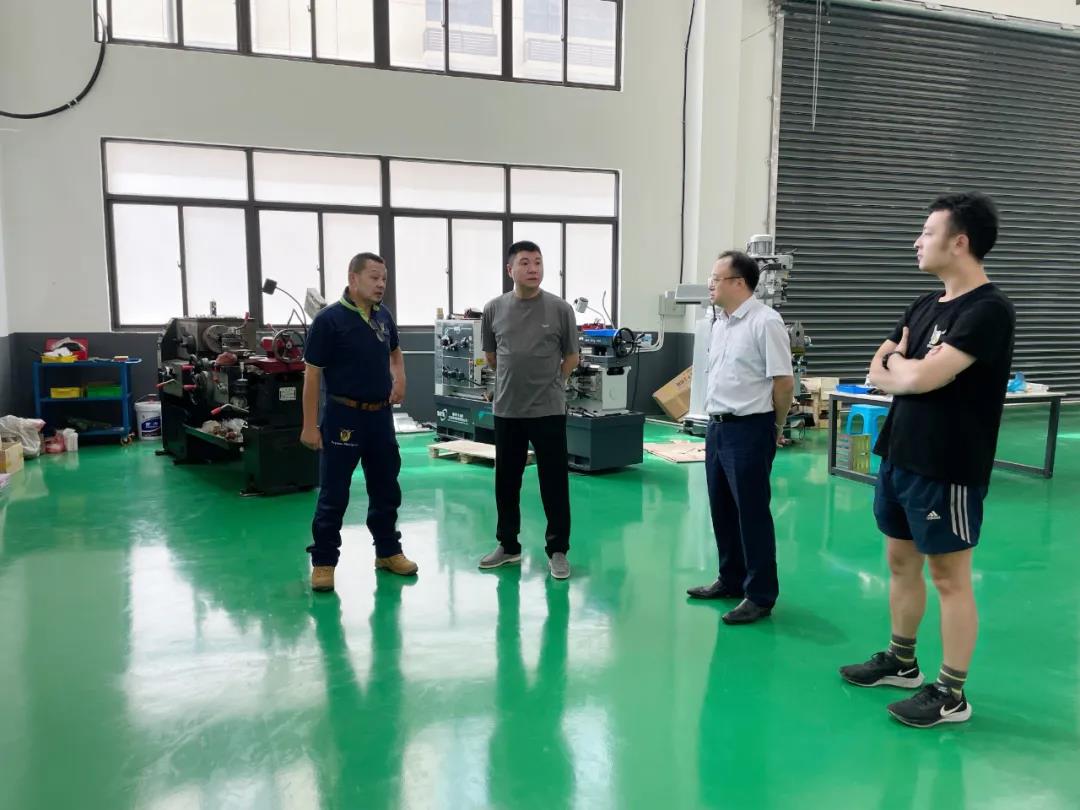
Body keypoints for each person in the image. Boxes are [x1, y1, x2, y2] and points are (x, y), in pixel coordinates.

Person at [839, 192, 1015, 728]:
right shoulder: (923, 304)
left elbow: (918, 376)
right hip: (900, 455)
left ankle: (951, 693)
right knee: (900, 562)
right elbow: (877, 368)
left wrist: (904, 368)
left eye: (927, 232)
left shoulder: (987, 310)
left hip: (948, 465)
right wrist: (902, 369)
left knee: (949, 577)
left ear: (959, 242)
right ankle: (902, 661)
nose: (917, 241)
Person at [686, 250, 794, 625]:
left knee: (752, 513)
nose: (710, 284)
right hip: (718, 428)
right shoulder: (721, 323)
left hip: (750, 428)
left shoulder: (766, 322)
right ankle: (730, 579)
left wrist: (775, 428)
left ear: (738, 283)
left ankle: (760, 595)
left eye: (716, 278)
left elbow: (783, 382)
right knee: (722, 509)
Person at [301, 252, 418, 592]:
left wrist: (400, 379)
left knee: (386, 487)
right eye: (374, 277)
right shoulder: (329, 320)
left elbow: (395, 351)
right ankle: (324, 561)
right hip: (344, 416)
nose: (381, 284)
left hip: (380, 417)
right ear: (353, 279)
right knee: (334, 492)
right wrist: (309, 425)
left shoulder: (383, 316)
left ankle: (388, 551)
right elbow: (312, 376)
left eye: (384, 279)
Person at [478, 241, 580, 580]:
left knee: (554, 482)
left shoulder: (560, 309)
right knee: (506, 482)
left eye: (538, 262)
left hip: (548, 410)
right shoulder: (493, 309)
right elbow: (492, 356)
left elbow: (571, 357)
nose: (533, 268)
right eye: (525, 262)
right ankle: (508, 545)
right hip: (508, 409)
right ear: (510, 270)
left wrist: (554, 384)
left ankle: (558, 550)